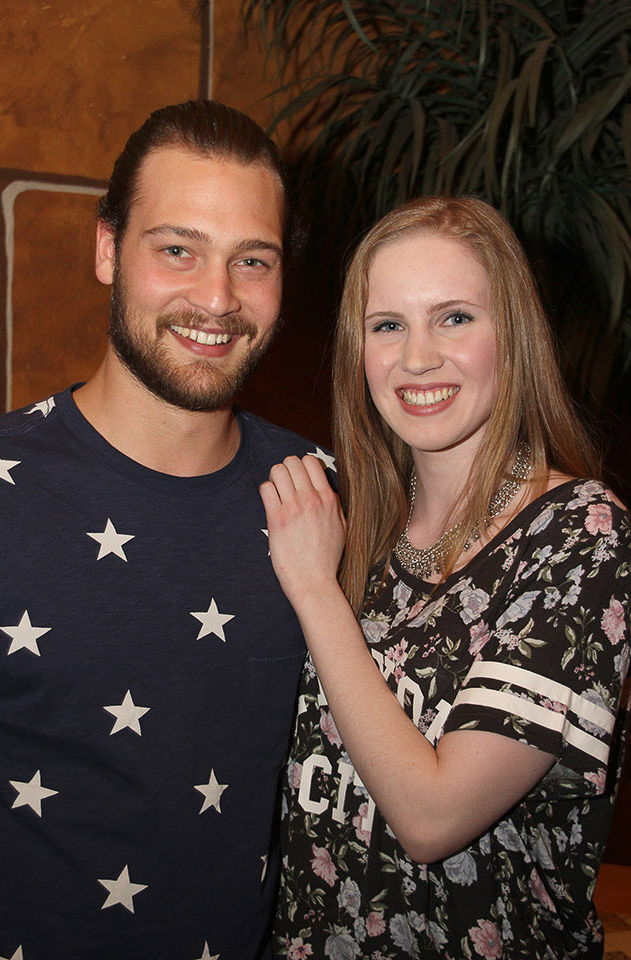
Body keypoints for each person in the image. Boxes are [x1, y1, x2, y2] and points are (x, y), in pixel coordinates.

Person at [0, 99, 333, 960]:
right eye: (178, 249)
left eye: (251, 260)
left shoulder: (328, 495)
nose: (217, 299)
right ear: (108, 249)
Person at [259, 196, 631, 959]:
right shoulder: (353, 527)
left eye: (454, 317)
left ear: (513, 336)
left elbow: (432, 818)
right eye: (387, 325)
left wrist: (315, 590)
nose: (417, 357)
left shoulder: (580, 534)